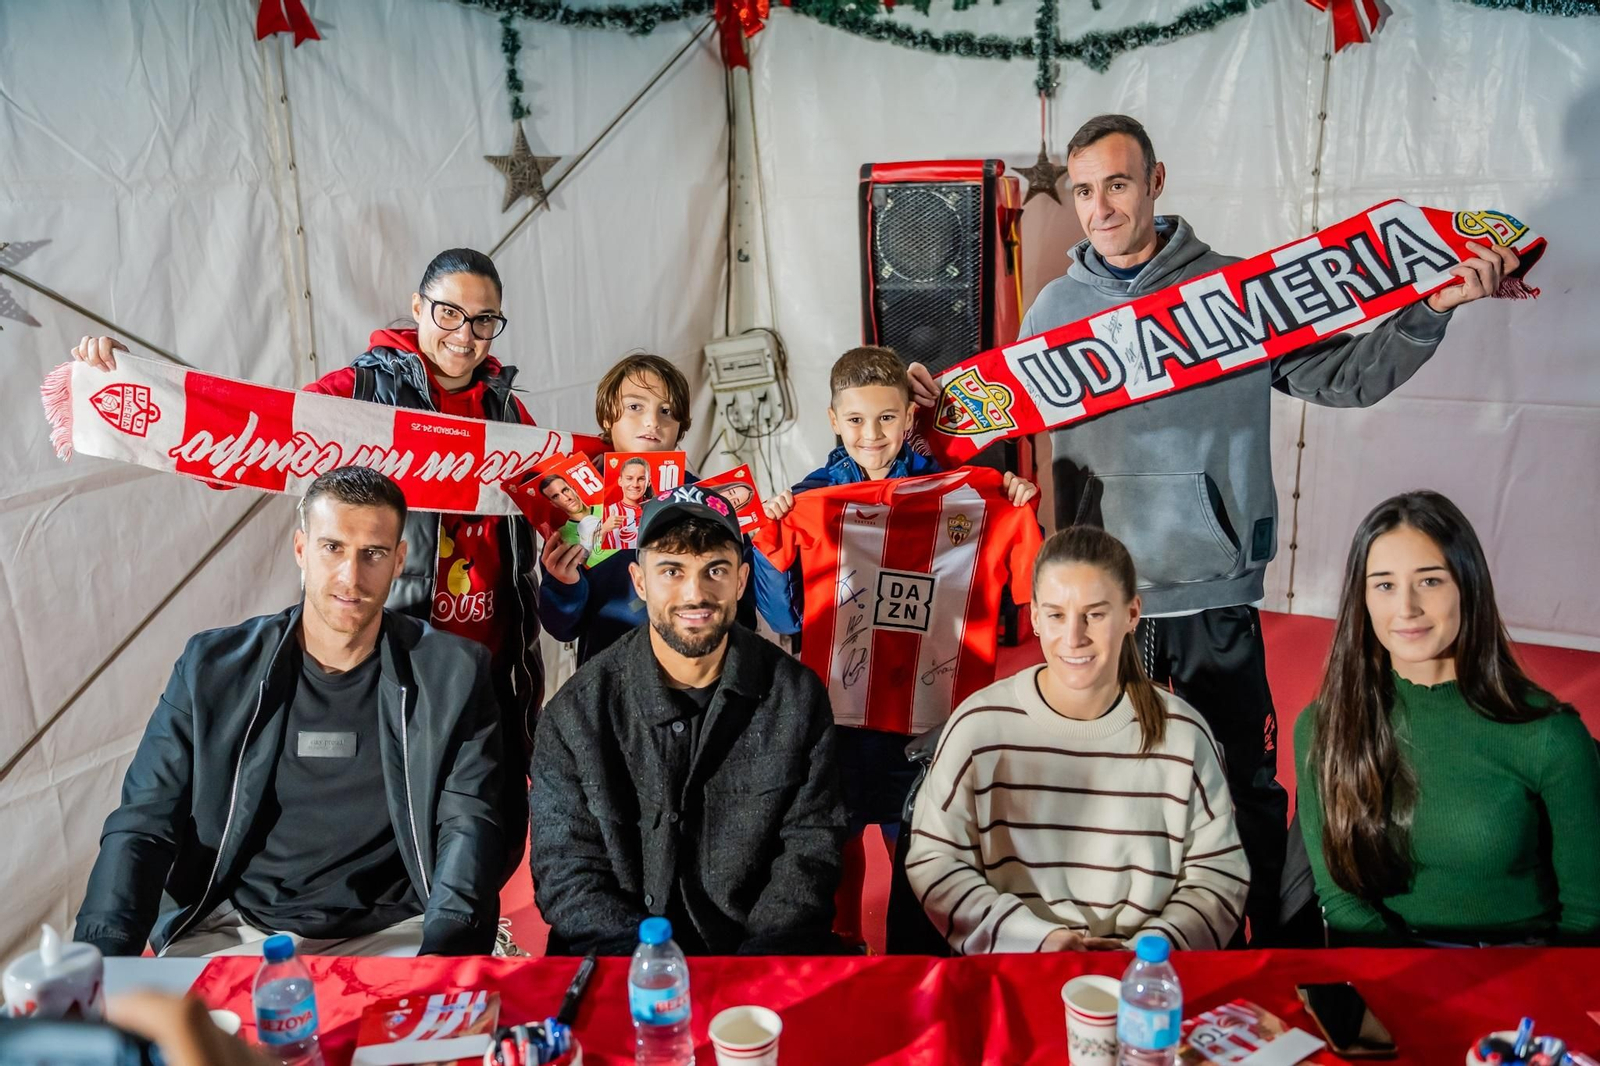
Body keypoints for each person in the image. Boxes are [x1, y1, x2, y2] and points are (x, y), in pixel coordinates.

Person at [906, 115, 1519, 942]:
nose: (1100, 208)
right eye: (1083, 192)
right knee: (1106, 783)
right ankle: (1121, 943)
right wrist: (924, 411)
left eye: (1117, 185)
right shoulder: (1055, 307)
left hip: (1211, 590)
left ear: (1155, 182)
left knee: (1241, 784)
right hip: (1101, 598)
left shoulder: (1236, 295)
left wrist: (1426, 313)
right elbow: (998, 413)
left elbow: (1345, 378)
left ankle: (1264, 952)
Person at [70, 248, 540, 890]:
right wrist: (134, 384)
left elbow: (567, 504)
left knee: (486, 832)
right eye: (449, 313)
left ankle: (466, 937)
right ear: (416, 307)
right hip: (396, 665)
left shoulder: (508, 414)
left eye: (484, 320)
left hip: (487, 665)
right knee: (405, 839)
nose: (466, 334)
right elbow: (248, 442)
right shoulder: (360, 395)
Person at [74, 467, 505, 958]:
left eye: (373, 553)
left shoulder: (452, 674)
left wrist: (447, 952)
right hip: (238, 929)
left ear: (399, 560)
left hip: (396, 933)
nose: (351, 576)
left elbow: (469, 823)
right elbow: (144, 821)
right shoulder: (212, 670)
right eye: (332, 547)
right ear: (301, 550)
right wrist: (100, 959)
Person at [751, 345, 1038, 948]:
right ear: (833, 420)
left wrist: (1011, 504)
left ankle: (920, 967)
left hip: (930, 716)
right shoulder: (809, 500)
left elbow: (1025, 598)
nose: (871, 434)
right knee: (833, 850)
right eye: (856, 419)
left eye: (886, 417)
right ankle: (840, 958)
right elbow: (782, 616)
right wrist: (771, 542)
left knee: (921, 853)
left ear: (910, 417)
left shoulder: (964, 492)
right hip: (839, 713)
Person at [529, 484, 847, 956]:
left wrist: (753, 970)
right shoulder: (577, 712)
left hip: (759, 963)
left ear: (741, 580)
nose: (694, 594)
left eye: (714, 570)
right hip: (621, 968)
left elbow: (811, 847)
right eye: (671, 571)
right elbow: (567, 870)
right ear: (640, 582)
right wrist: (648, 967)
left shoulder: (796, 697)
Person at [907, 525, 1249, 954]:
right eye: (1056, 615)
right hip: (1016, 968)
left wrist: (1150, 951)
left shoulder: (1183, 734)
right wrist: (1036, 941)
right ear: (1034, 617)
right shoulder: (979, 726)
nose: (1074, 637)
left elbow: (1218, 875)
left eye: (1095, 614)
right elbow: (936, 860)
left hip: (1145, 975)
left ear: (1132, 614)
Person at [1295, 490, 1600, 945]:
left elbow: (1587, 917)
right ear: (1362, 599)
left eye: (1430, 581)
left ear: (1467, 586)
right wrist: (1411, 981)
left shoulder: (1549, 735)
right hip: (1384, 968)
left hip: (1518, 971)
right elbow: (1341, 902)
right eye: (1384, 585)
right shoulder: (1326, 725)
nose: (1407, 608)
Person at [538, 353, 756, 665]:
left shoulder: (710, 505)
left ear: (681, 425)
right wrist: (564, 584)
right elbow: (561, 628)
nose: (653, 421)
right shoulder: (575, 501)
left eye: (666, 411)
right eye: (635, 407)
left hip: (701, 675)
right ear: (607, 417)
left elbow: (743, 615)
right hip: (610, 676)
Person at [539, 472, 603, 554]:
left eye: (565, 490)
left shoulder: (606, 508)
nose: (566, 498)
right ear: (554, 504)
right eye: (556, 496)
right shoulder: (563, 535)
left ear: (573, 489)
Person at [600, 455, 652, 550]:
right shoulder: (607, 511)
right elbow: (592, 550)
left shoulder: (656, 508)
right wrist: (604, 529)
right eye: (629, 478)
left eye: (641, 479)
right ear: (620, 481)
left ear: (648, 482)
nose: (635, 484)